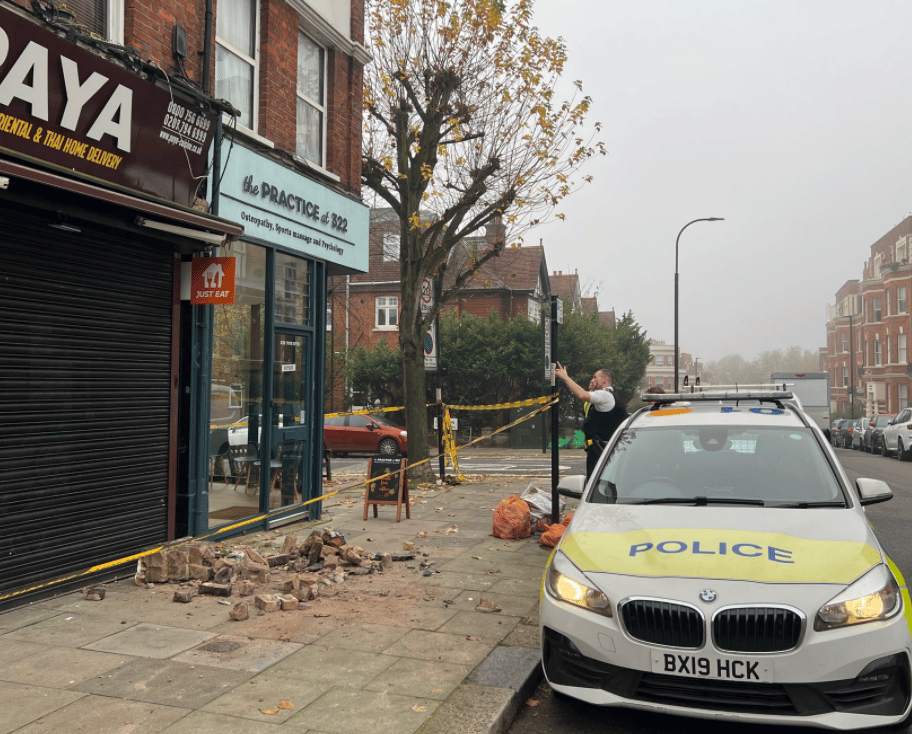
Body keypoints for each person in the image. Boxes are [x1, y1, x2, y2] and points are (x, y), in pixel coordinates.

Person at [554, 363, 628, 479]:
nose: (592, 379)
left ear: (604, 380)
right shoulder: (613, 396)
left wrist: (565, 377)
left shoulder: (605, 395)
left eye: (595, 377)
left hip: (600, 451)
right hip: (607, 449)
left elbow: (582, 395)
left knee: (596, 483)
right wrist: (591, 391)